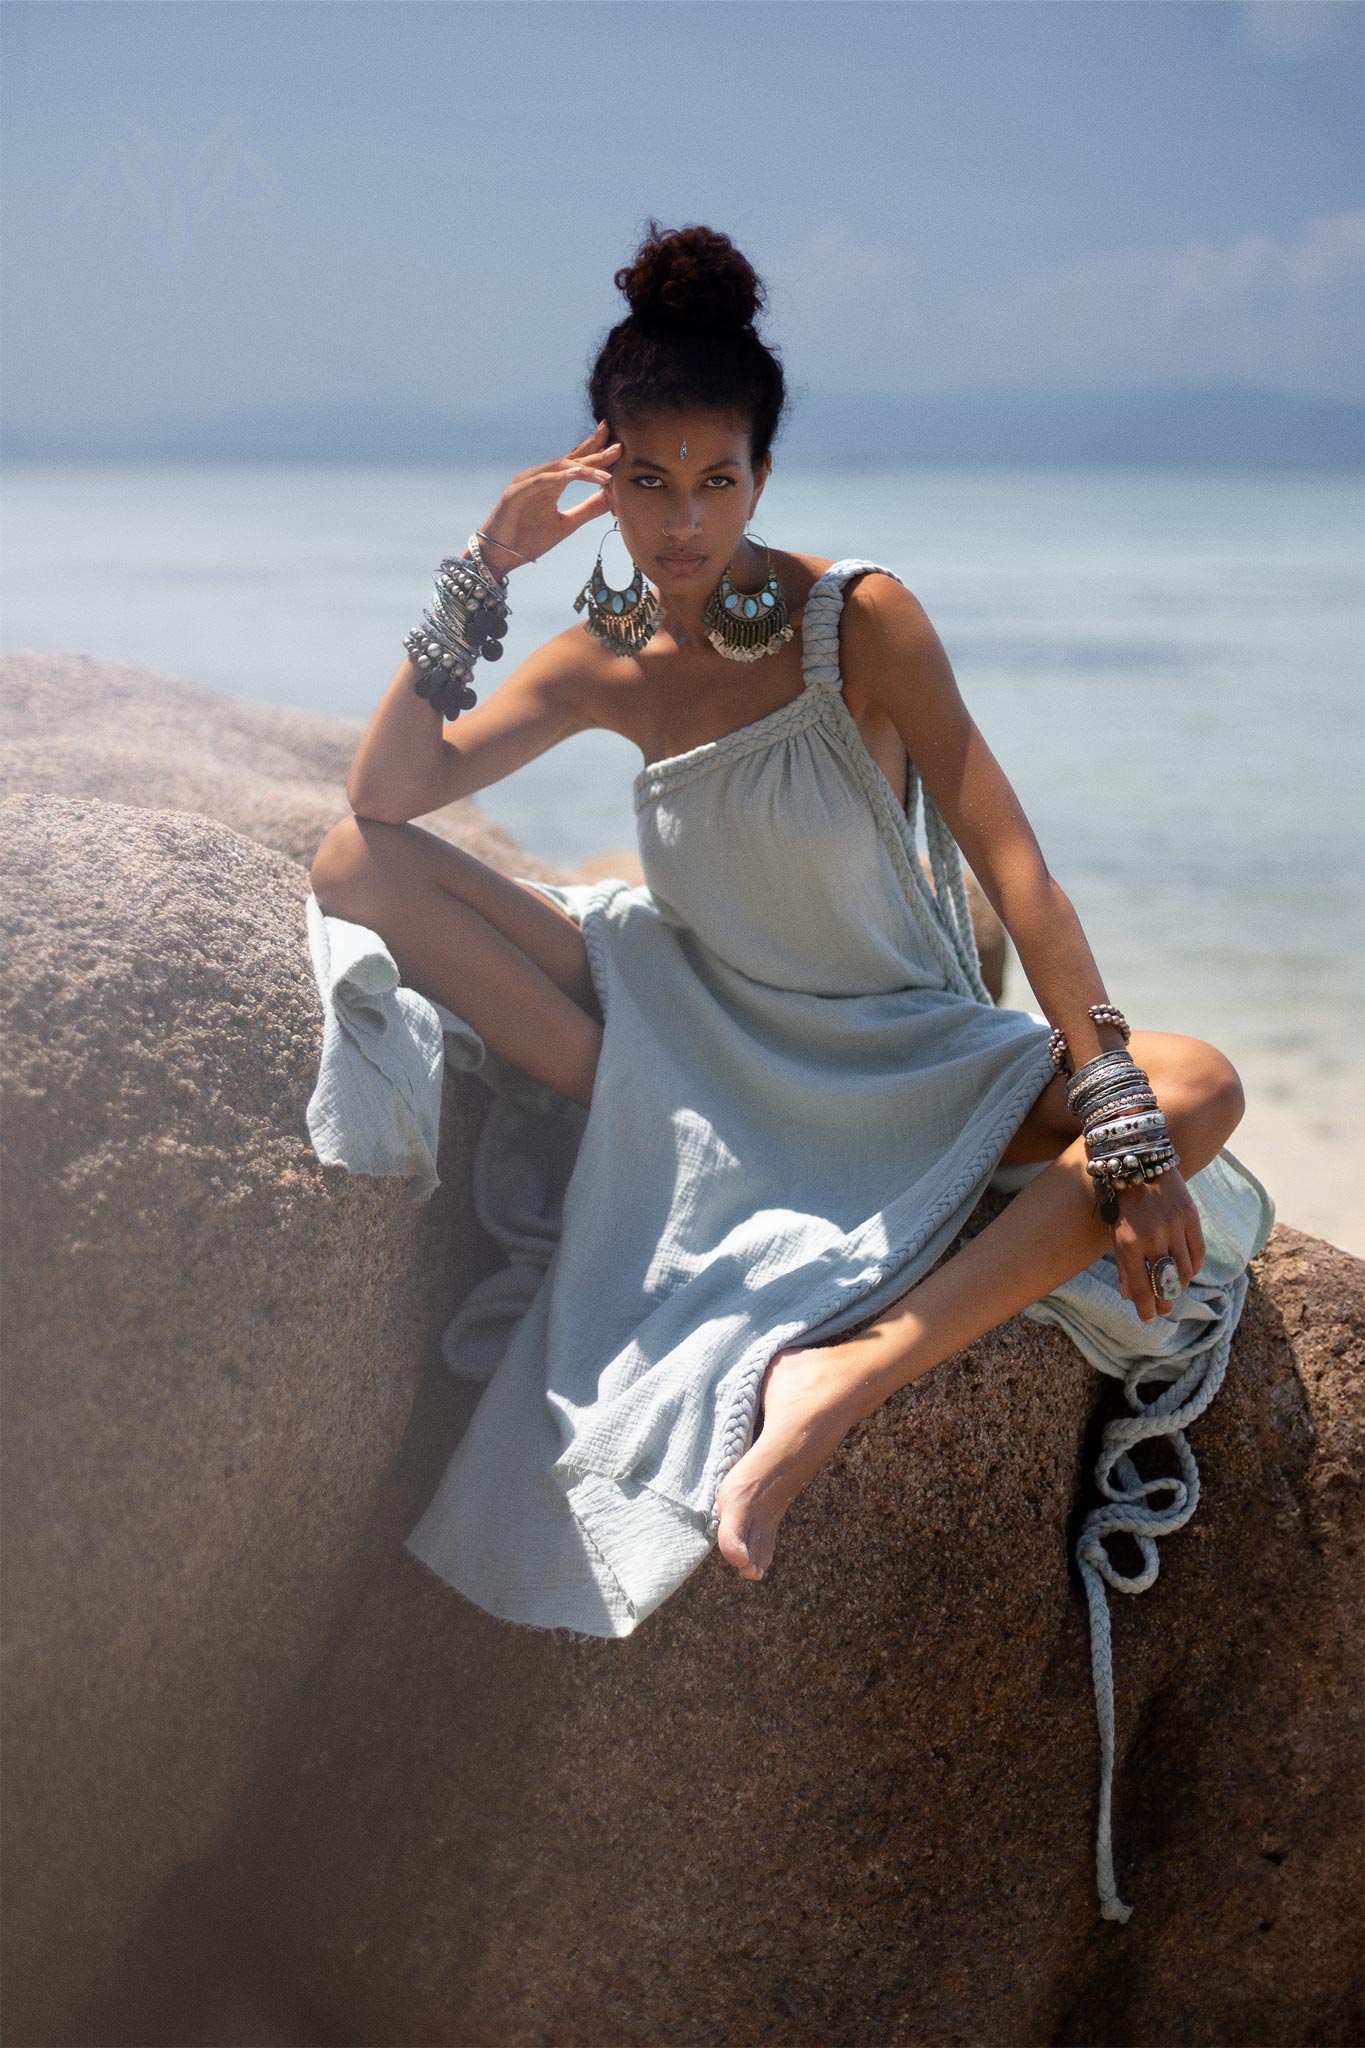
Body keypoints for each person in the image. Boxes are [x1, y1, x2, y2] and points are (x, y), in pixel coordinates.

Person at [307, 221, 1270, 1918]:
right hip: (694, 1035)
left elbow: (1015, 867)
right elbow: (386, 800)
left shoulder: (854, 623)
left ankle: (843, 1381)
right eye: (648, 484)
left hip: (906, 1046)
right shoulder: (601, 653)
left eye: (717, 481)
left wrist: (1113, 1114)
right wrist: (484, 564)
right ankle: (670, 1136)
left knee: (1195, 1090)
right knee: (351, 867)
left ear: (761, 473)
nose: (682, 524)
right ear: (599, 478)